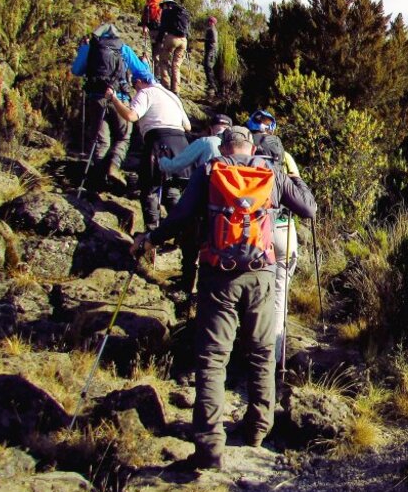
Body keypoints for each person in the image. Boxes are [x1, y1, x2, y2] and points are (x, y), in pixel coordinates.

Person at [131, 126, 317, 470]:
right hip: (261, 274)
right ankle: (258, 430)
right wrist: (295, 176)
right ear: (250, 146)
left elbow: (182, 216)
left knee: (213, 359)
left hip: (218, 274)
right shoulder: (271, 172)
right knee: (261, 352)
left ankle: (209, 446)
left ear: (225, 146)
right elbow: (308, 209)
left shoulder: (210, 170)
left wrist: (151, 238)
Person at [107, 75, 196, 293]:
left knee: (151, 189)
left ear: (139, 82)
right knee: (173, 190)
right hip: (180, 144)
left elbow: (130, 115)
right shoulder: (172, 96)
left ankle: (150, 238)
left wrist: (113, 99)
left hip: (158, 142)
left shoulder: (145, 93)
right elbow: (187, 125)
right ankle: (181, 234)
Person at [245, 110, 298, 371]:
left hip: (248, 234)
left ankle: (244, 353)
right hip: (281, 230)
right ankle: (273, 359)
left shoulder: (241, 155)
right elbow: (305, 203)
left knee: (248, 293)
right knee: (278, 296)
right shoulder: (284, 157)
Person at [71, 23, 152, 193]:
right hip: (119, 99)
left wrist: (83, 50)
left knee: (102, 141)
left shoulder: (90, 47)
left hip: (96, 98)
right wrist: (146, 64)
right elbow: (143, 74)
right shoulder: (123, 48)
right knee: (123, 137)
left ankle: (98, 179)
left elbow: (76, 70)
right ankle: (113, 166)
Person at [158, 113, 232, 175]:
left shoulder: (205, 142)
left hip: (208, 189)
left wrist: (161, 160)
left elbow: (175, 165)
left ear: (210, 129)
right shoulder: (239, 147)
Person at [158, 0, 190, 95]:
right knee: (176, 65)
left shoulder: (167, 12)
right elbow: (189, 28)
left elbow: (163, 27)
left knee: (163, 61)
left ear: (167, 4)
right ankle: (176, 90)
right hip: (183, 40)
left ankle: (166, 86)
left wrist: (159, 40)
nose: (163, 8)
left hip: (172, 38)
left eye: (163, 6)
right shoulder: (185, 12)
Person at [140, 0, 171, 75]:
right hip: (161, 31)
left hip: (151, 30)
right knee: (163, 52)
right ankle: (164, 73)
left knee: (155, 52)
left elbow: (144, 18)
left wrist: (144, 26)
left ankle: (156, 73)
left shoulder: (149, 3)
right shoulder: (162, 3)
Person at [203, 16, 218, 96]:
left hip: (211, 51)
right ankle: (211, 86)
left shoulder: (212, 30)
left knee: (208, 67)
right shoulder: (212, 29)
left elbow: (214, 40)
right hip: (210, 51)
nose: (208, 23)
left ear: (212, 22)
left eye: (210, 21)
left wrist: (204, 40)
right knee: (207, 67)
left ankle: (212, 86)